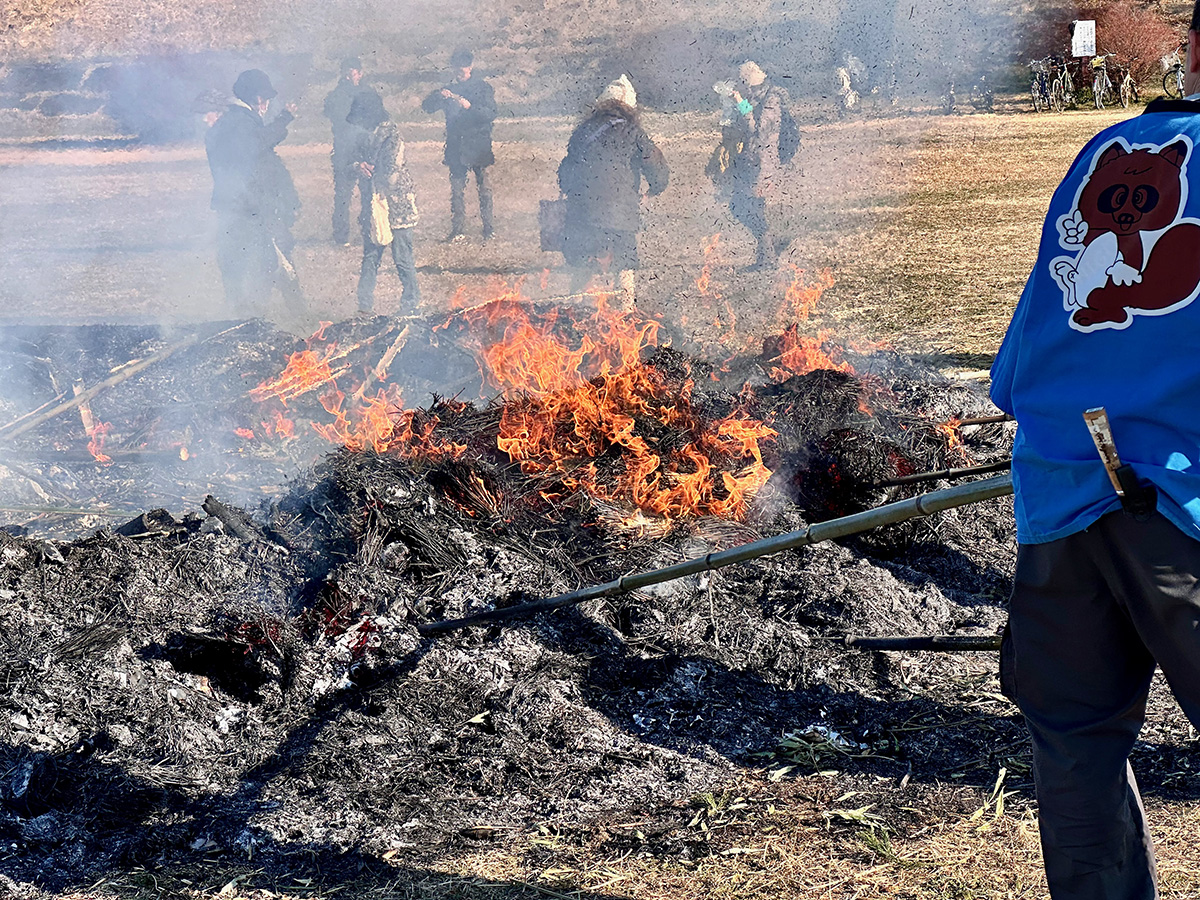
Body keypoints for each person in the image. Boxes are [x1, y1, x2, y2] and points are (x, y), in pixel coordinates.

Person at [990, 6, 1200, 896]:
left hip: (1060, 484)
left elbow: (1021, 357)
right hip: (1180, 501)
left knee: (1075, 745)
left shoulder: (1104, 148)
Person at [556, 74, 668, 310]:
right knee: (624, 265)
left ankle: (573, 311)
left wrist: (572, 193)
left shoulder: (583, 132)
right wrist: (655, 189)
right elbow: (656, 166)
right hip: (621, 216)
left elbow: (566, 173)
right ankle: (626, 313)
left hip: (583, 213)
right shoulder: (634, 133)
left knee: (582, 265)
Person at [204, 69, 298, 314]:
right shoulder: (240, 123)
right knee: (265, 262)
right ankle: (265, 317)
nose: (266, 104)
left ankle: (243, 314)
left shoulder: (225, 124)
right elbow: (257, 144)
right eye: (265, 98)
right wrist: (284, 119)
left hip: (231, 207)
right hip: (247, 209)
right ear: (258, 99)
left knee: (237, 264)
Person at [347, 90, 421, 315]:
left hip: (396, 202)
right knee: (372, 255)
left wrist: (371, 172)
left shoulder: (392, 136)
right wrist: (357, 165)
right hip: (375, 203)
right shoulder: (361, 135)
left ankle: (410, 304)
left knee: (402, 257)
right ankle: (365, 307)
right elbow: (343, 158)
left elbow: (391, 172)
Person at [421, 48, 497, 241]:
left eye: (463, 67)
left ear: (470, 67)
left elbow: (490, 114)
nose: (459, 71)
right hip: (456, 147)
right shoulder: (449, 90)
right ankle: (458, 230)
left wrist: (470, 107)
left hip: (479, 146)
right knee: (457, 192)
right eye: (456, 67)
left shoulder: (483, 88)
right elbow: (427, 107)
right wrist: (439, 95)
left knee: (485, 190)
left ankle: (489, 229)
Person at [727, 60, 788, 270]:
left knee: (751, 207)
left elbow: (757, 129)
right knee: (741, 206)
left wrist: (741, 104)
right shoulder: (756, 97)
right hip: (750, 161)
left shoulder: (771, 100)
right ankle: (770, 248)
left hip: (762, 164)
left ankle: (767, 255)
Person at [323, 57, 368, 246]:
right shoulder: (335, 96)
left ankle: (368, 232)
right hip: (344, 150)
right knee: (342, 195)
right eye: (347, 72)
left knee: (368, 193)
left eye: (354, 72)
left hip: (365, 148)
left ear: (360, 73)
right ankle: (341, 237)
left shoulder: (367, 93)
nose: (351, 76)